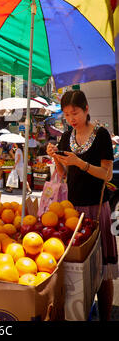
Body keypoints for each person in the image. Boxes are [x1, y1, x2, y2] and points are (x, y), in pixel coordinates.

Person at [46, 90, 118, 321]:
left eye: (74, 113)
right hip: (73, 211)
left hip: (97, 209)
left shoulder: (101, 135)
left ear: (86, 109)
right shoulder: (66, 137)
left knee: (103, 270)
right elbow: (65, 175)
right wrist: (57, 159)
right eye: (66, 115)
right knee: (77, 267)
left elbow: (107, 175)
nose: (71, 119)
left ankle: (106, 316)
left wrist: (81, 162)